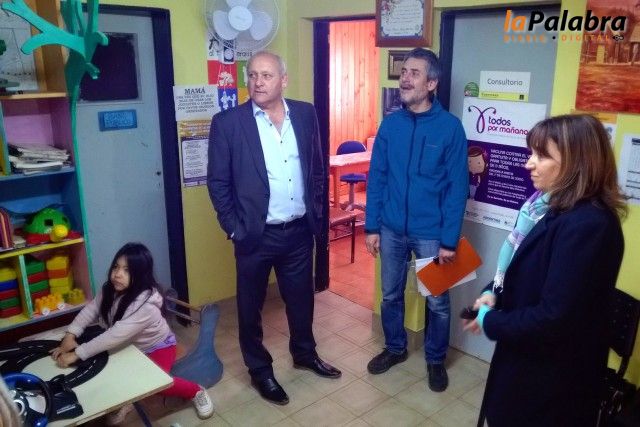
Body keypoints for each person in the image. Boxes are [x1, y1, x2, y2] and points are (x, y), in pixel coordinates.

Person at [463, 114, 626, 427]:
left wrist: (490, 321)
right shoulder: (547, 208)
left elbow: (555, 318)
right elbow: (521, 271)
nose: (529, 164)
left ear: (577, 163)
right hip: (524, 365)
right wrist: (492, 293)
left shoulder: (590, 225)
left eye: (542, 155)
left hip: (551, 385)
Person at [207, 51, 340, 406]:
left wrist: (316, 213)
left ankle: (305, 354)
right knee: (250, 308)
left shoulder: (306, 114)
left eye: (266, 75)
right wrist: (234, 228)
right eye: (252, 75)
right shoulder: (228, 123)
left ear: (283, 80)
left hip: (298, 232)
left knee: (301, 300)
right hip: (255, 235)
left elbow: (316, 167)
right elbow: (218, 183)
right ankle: (259, 370)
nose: (257, 82)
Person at [365, 48, 468, 392]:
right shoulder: (391, 125)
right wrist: (372, 226)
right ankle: (395, 348)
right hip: (391, 229)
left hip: (432, 234)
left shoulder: (450, 128)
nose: (405, 79)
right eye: (404, 72)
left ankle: (435, 359)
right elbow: (377, 178)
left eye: (414, 73)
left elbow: (457, 189)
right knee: (390, 295)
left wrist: (449, 240)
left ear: (432, 83)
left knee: (437, 300)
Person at [50, 243, 214, 424]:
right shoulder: (109, 289)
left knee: (156, 383)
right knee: (108, 371)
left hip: (157, 346)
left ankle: (196, 391)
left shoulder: (145, 306)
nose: (117, 274)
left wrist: (76, 354)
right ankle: (126, 400)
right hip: (129, 344)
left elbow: (114, 335)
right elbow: (91, 310)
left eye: (127, 270)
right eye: (116, 267)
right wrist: (70, 335)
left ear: (141, 275)